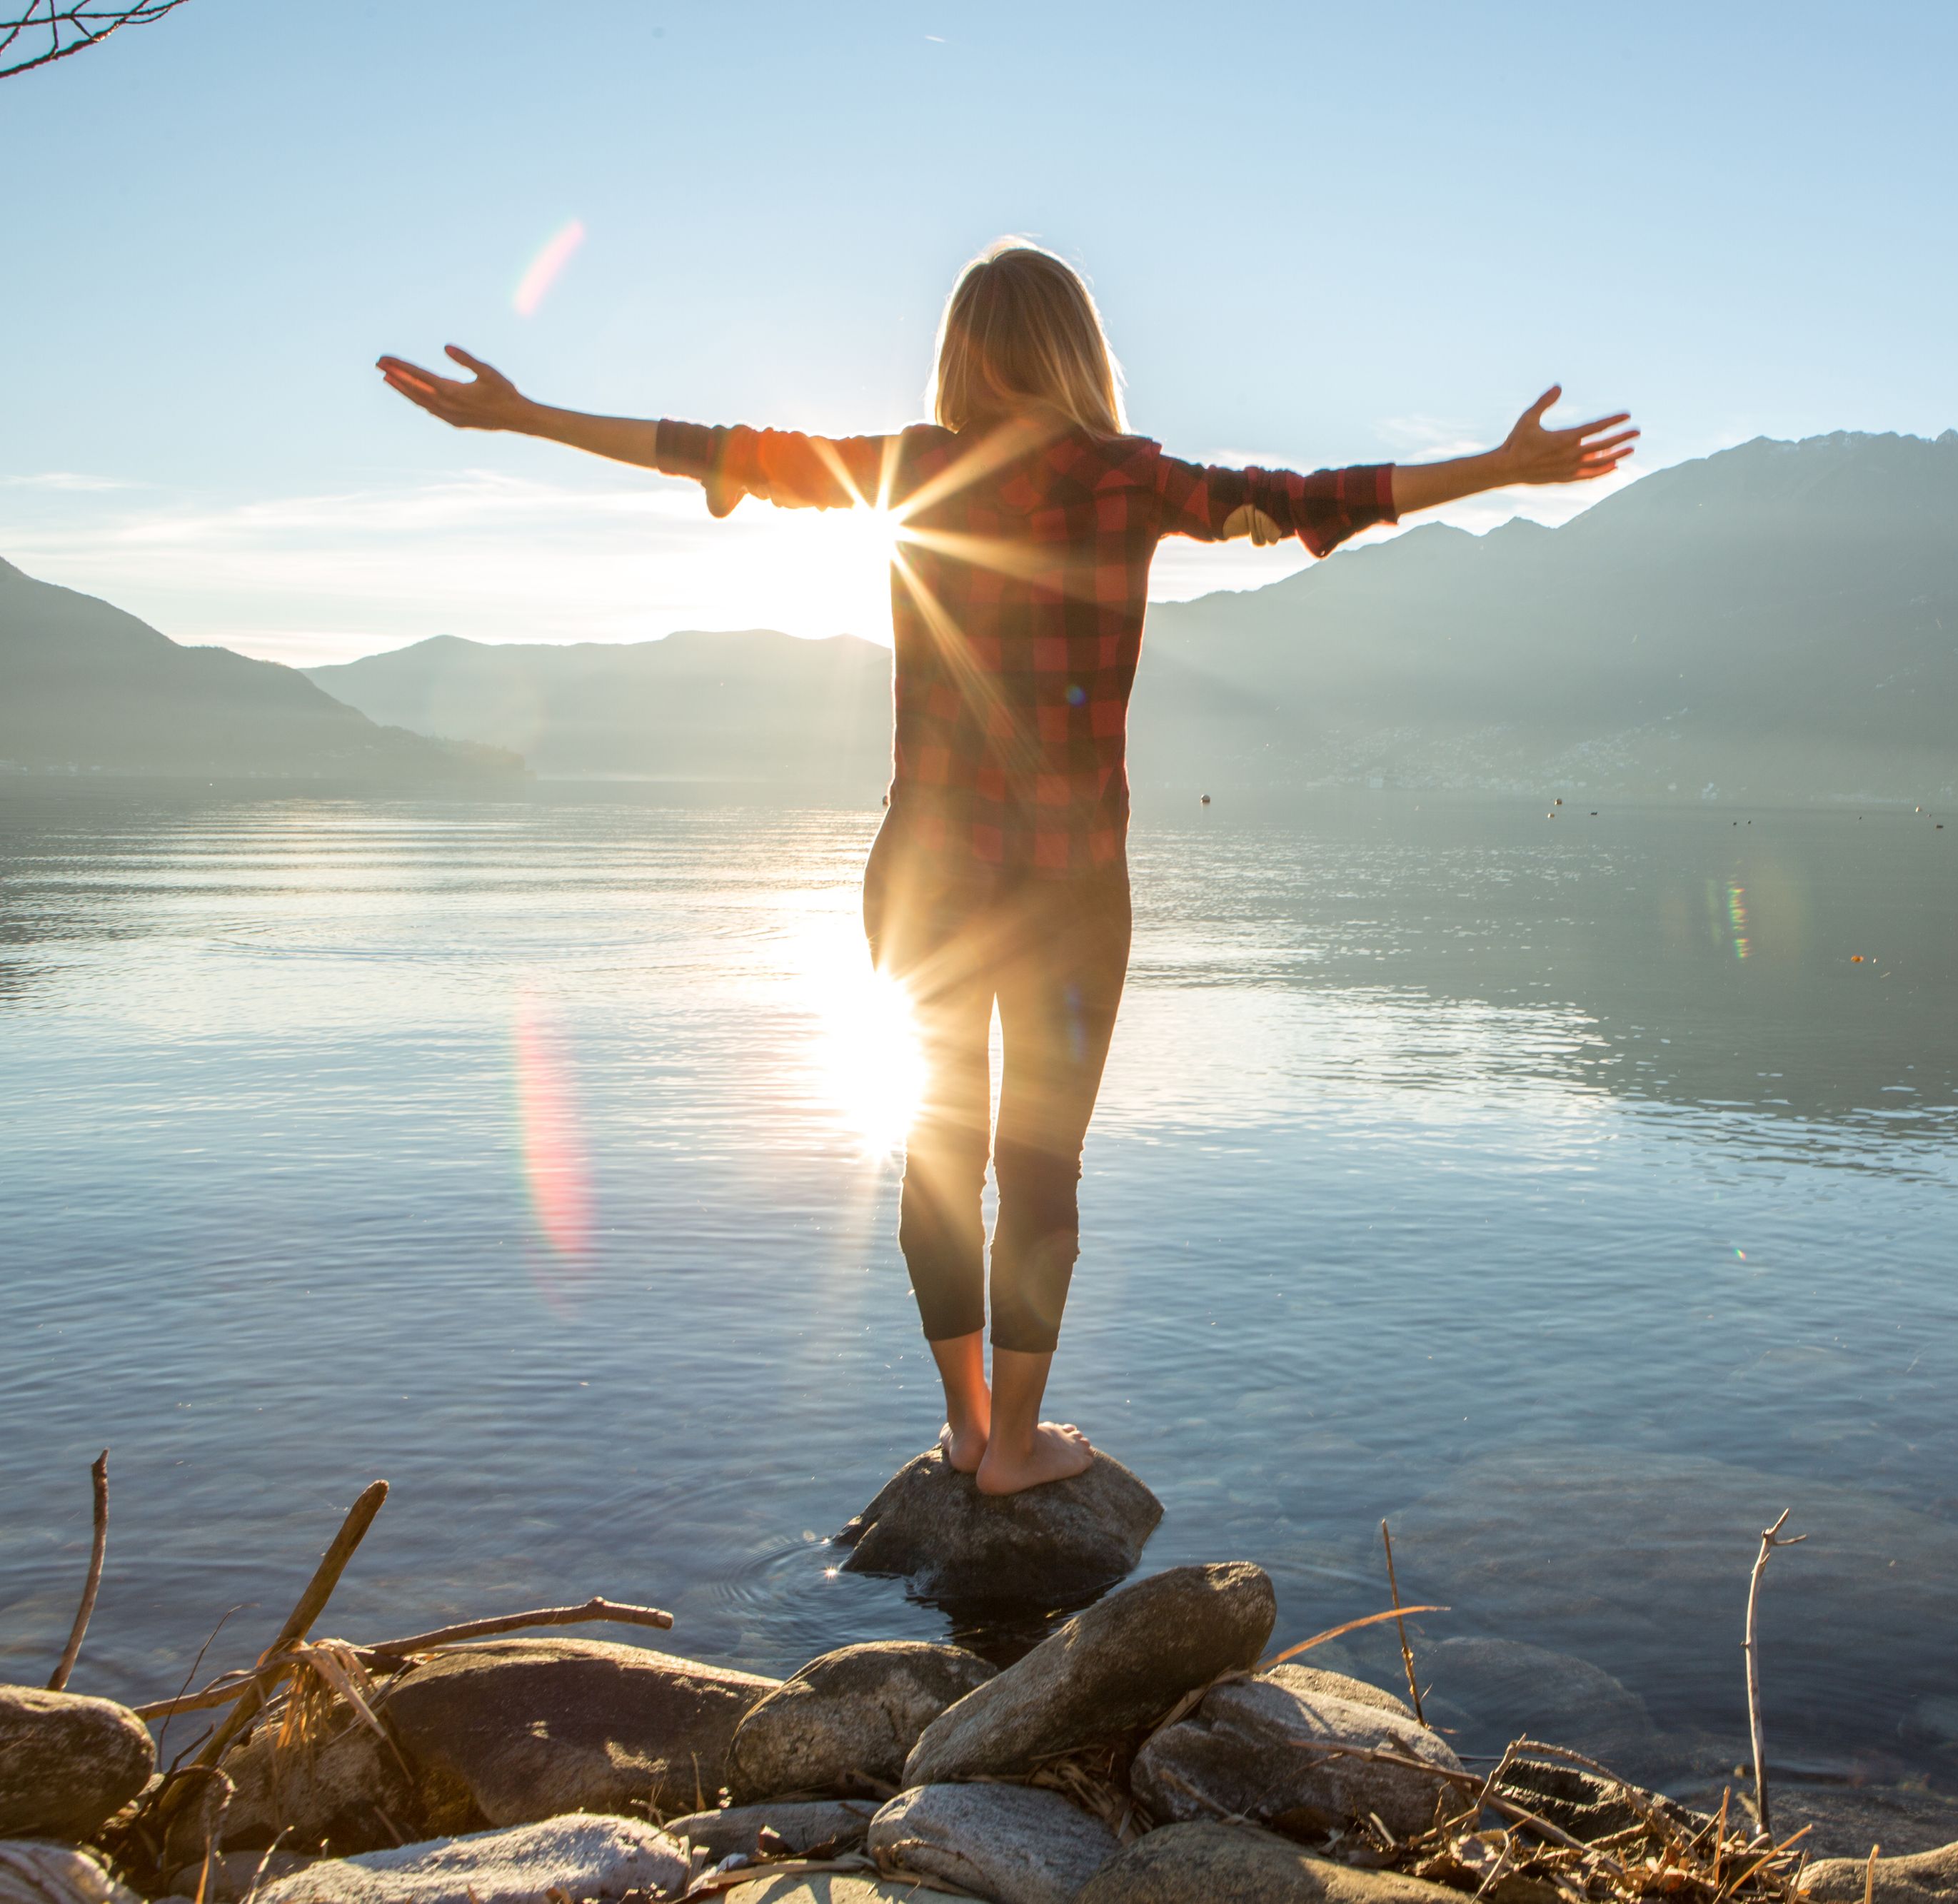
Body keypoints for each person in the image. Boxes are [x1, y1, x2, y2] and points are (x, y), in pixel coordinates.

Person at [379, 238, 1635, 1493]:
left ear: (961, 352)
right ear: (1082, 350)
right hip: (1071, 882)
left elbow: (711, 449)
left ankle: (969, 1426)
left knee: (936, 1145)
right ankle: (1020, 1446)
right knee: (1041, 1164)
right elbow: (1314, 502)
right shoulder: (1131, 480)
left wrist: (524, 415)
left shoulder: (911, 471)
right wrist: (1502, 466)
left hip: (922, 869)